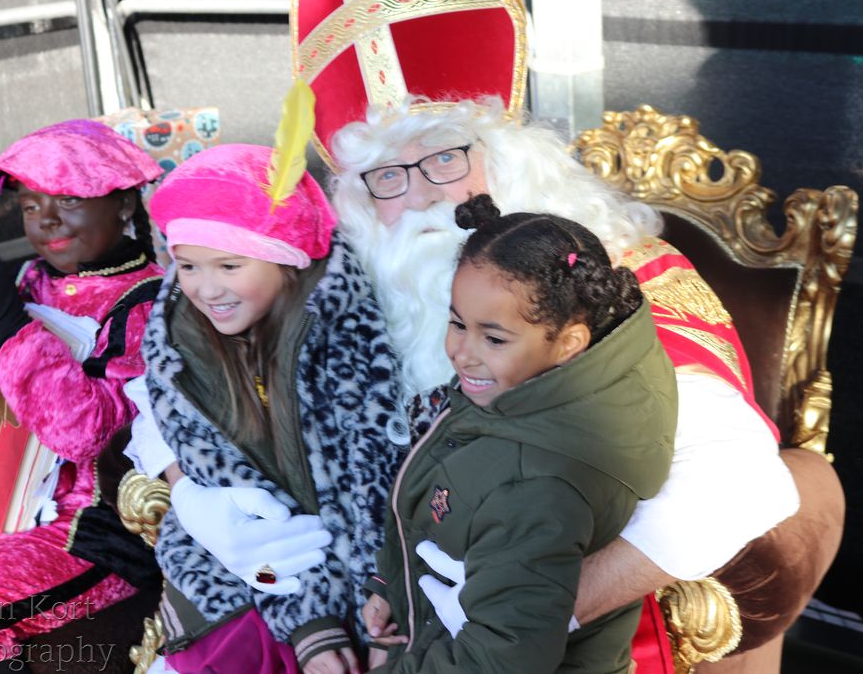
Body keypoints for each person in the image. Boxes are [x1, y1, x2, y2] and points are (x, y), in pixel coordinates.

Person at [333, 98, 801, 640]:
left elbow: (741, 485)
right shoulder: (362, 305)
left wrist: (529, 610)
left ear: (511, 160)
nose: (420, 196)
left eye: (444, 159)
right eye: (388, 176)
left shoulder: (615, 285)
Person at [362, 195, 677, 673]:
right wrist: (392, 586)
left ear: (569, 343)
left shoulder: (536, 485)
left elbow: (497, 659)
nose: (462, 352)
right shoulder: (515, 389)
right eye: (457, 323)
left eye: (493, 338)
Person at [136, 143, 408, 674]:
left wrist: (379, 602)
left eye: (230, 264)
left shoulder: (345, 330)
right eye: (187, 265)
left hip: (371, 579)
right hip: (254, 578)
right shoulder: (179, 343)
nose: (206, 288)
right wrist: (310, 625)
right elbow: (237, 493)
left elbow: (371, 486)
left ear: (286, 257)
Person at [0, 119, 164, 669]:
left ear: (124, 203)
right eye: (31, 205)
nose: (46, 218)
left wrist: (10, 325)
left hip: (93, 532)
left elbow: (86, 436)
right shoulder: (30, 279)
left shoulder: (152, 302)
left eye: (69, 199)